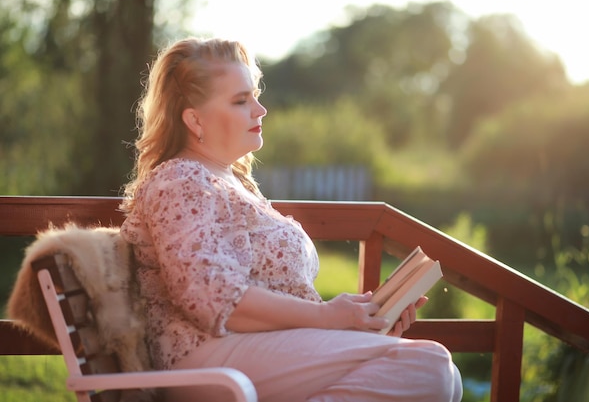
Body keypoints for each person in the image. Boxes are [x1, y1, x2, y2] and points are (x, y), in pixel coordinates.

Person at [120, 36, 462, 402]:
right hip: (206, 358)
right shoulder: (181, 180)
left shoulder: (235, 183)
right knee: (432, 367)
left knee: (445, 377)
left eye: (254, 95)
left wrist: (360, 325)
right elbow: (211, 298)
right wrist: (329, 318)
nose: (260, 109)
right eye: (240, 100)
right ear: (194, 119)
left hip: (256, 349)